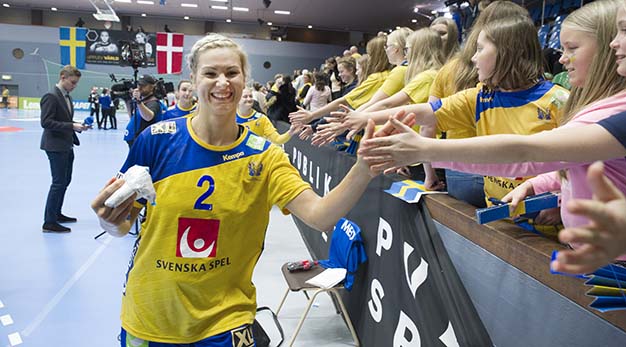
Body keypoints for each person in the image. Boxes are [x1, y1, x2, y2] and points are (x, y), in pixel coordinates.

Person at [90, 33, 381, 346]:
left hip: (226, 321)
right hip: (151, 317)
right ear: (192, 78)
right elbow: (121, 225)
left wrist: (363, 168)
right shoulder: (156, 140)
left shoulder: (265, 156)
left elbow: (320, 216)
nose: (222, 83)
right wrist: (108, 220)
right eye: (210, 73)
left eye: (232, 73)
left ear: (246, 81)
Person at [40, 65, 89, 233]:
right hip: (55, 146)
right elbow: (46, 122)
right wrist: (71, 125)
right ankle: (49, 221)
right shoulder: (51, 96)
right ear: (63, 77)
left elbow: (63, 119)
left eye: (76, 83)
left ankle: (56, 214)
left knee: (65, 181)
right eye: (72, 82)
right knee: (58, 182)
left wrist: (77, 126)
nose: (74, 86)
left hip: (66, 144)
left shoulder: (66, 96)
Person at [123, 74, 163, 148]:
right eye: (139, 84)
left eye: (144, 85)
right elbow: (134, 117)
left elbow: (149, 117)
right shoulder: (143, 101)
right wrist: (127, 101)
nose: (140, 87)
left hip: (143, 142)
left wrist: (138, 101)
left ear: (151, 87)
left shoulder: (153, 103)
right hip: (135, 140)